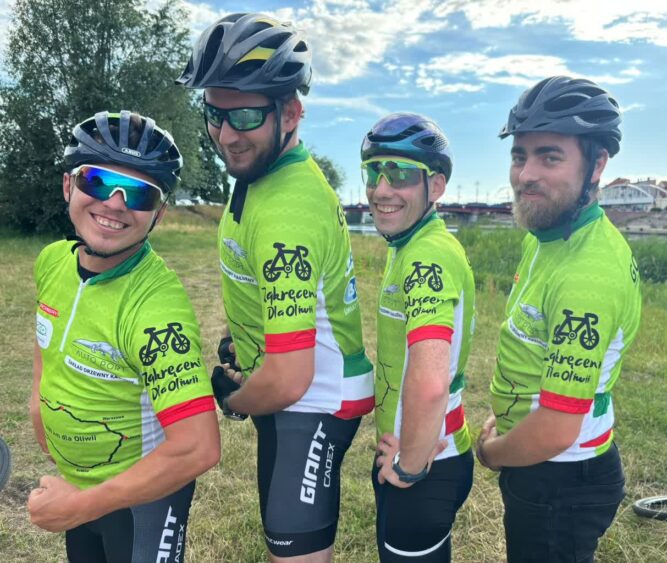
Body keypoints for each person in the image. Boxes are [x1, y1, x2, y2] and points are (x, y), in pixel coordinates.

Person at [176, 13, 374, 562]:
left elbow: (288, 378)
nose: (226, 135)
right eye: (214, 113)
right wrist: (246, 341)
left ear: (291, 112)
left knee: (293, 548)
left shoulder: (288, 209)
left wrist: (233, 399)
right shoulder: (262, 171)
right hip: (295, 392)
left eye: (244, 115)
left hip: (314, 398)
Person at [28, 110, 221, 562]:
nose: (115, 204)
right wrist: (38, 405)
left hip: (142, 501)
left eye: (138, 193)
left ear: (158, 213)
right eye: (97, 181)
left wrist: (78, 506)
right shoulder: (52, 261)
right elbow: (45, 344)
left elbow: (198, 447)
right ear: (68, 185)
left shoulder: (157, 309)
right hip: (80, 480)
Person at [475, 76, 642, 562]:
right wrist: (511, 414)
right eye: (519, 155)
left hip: (560, 475)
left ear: (597, 165)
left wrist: (491, 452)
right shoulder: (550, 235)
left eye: (550, 157)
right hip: (548, 463)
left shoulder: (585, 274)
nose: (526, 174)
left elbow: (555, 428)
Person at [362, 113, 475, 562]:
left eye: (401, 174)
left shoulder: (427, 256)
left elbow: (430, 384)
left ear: (437, 186)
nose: (381, 189)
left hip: (426, 462)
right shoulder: (412, 244)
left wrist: (409, 466)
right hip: (430, 451)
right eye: (374, 172)